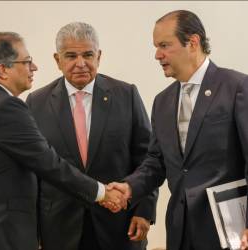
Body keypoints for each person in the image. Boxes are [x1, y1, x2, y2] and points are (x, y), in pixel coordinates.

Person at [0, 31, 125, 250]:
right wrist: (102, 193)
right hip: (0, 231)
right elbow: (49, 163)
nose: (34, 68)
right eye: (27, 62)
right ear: (3, 69)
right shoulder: (5, 107)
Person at [106, 10, 248, 250]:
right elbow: (156, 162)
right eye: (155, 46)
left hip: (230, 232)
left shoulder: (237, 87)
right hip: (180, 229)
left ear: (192, 42)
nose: (157, 55)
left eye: (164, 45)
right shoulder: (162, 101)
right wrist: (129, 187)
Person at [26, 22, 158, 250]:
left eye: (88, 54)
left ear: (99, 56)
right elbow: (32, 172)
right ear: (57, 60)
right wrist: (33, 230)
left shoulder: (126, 95)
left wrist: (145, 211)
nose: (80, 63)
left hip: (119, 225)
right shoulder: (36, 103)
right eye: (71, 56)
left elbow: (148, 158)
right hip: (58, 228)